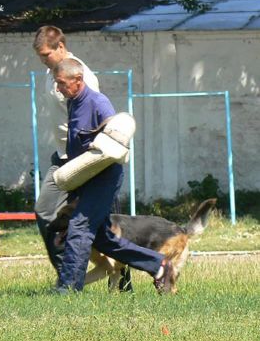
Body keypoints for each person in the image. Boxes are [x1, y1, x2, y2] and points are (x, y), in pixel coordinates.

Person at [53, 58, 173, 294]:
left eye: (61, 83)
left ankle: (67, 290)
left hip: (103, 177)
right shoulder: (73, 102)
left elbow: (118, 135)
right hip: (85, 178)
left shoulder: (98, 102)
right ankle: (159, 265)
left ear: (78, 80)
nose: (58, 88)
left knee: (79, 226)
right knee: (103, 239)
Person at [32, 26, 131, 291]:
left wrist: (92, 164)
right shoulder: (51, 74)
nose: (43, 60)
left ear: (61, 47)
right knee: (45, 211)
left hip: (86, 160)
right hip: (63, 156)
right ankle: (69, 276)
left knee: (106, 223)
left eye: (46, 55)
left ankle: (121, 281)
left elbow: (97, 124)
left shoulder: (81, 76)